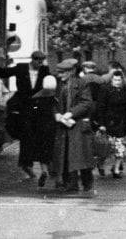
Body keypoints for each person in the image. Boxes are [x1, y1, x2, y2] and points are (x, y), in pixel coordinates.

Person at [0, 50, 50, 179]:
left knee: (42, 137)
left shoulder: (45, 70)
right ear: (32, 59)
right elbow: (3, 73)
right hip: (24, 109)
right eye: (37, 60)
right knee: (26, 137)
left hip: (39, 109)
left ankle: (43, 169)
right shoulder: (21, 68)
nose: (40, 63)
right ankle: (27, 166)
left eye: (42, 60)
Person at [51, 58, 96, 194]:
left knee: (81, 156)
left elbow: (86, 103)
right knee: (66, 156)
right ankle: (70, 184)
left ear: (71, 71)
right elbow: (52, 101)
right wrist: (56, 114)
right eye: (59, 72)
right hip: (63, 125)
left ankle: (87, 182)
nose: (60, 75)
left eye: (62, 72)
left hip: (78, 124)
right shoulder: (58, 85)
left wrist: (71, 113)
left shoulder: (82, 84)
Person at [94, 69, 126, 178]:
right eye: (115, 80)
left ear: (122, 80)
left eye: (119, 80)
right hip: (108, 123)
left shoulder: (125, 90)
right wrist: (101, 123)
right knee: (107, 147)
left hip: (121, 122)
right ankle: (101, 163)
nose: (117, 82)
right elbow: (101, 107)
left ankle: (116, 169)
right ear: (111, 80)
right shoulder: (105, 90)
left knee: (120, 148)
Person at [29, 74, 58, 187]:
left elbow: (32, 116)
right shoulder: (55, 98)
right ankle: (54, 172)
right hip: (53, 127)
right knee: (52, 150)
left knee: (42, 152)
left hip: (39, 129)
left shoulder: (36, 97)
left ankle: (44, 171)